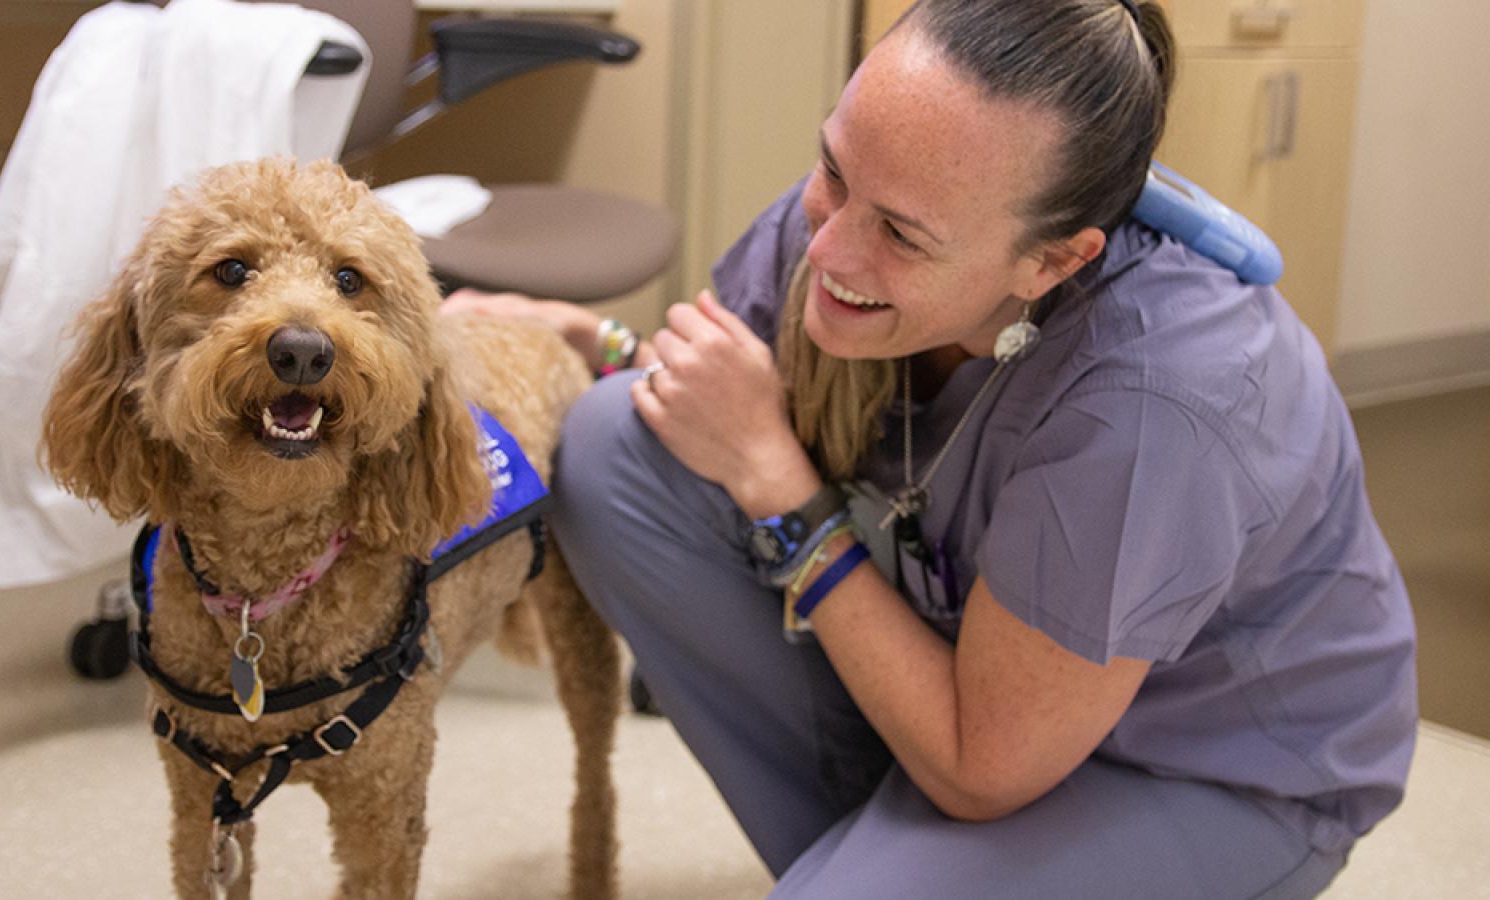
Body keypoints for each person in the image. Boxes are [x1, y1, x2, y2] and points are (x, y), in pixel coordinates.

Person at [441, 1, 1417, 896]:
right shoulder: (869, 207)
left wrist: (780, 483)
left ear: (1053, 261)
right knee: (618, 444)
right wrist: (592, 341)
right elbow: (727, 401)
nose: (823, 250)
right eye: (832, 168)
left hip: (1207, 765)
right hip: (969, 691)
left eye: (901, 235)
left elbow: (979, 769)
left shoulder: (1158, 397)